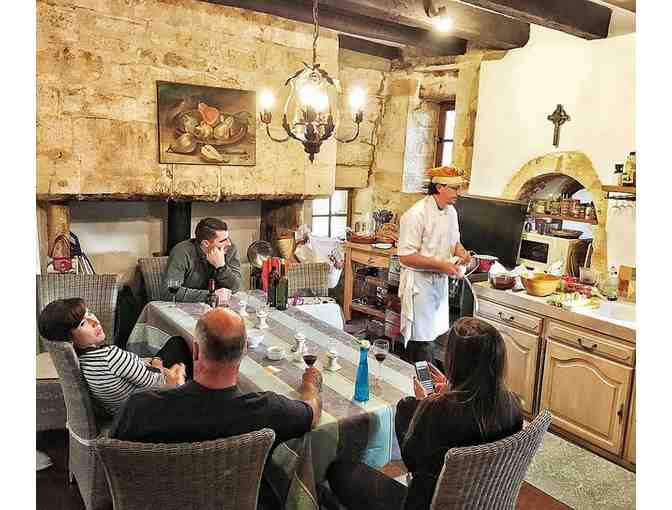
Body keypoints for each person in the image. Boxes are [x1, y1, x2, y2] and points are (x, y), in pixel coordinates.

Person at [110, 307, 322, 509]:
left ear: (195, 351)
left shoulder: (139, 408)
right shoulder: (268, 410)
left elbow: (113, 462)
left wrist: (169, 391)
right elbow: (312, 412)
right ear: (244, 352)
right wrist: (310, 385)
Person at [326, 318, 523, 510]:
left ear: (454, 361)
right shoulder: (513, 405)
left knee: (340, 471)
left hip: (425, 504)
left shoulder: (434, 409)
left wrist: (423, 404)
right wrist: (452, 389)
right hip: (485, 501)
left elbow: (412, 462)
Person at [38, 298, 191, 416]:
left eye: (89, 313)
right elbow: (160, 384)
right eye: (83, 323)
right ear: (69, 339)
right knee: (178, 344)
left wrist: (144, 362)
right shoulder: (110, 357)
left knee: (172, 346)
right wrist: (161, 366)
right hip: (147, 412)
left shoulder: (83, 360)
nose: (94, 321)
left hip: (121, 408)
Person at [397, 166, 472, 363]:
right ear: (439, 187)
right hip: (419, 284)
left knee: (436, 334)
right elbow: (405, 256)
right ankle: (419, 378)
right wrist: (442, 266)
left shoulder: (451, 212)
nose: (458, 193)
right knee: (422, 339)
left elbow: (454, 242)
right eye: (454, 188)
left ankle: (432, 378)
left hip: (439, 282)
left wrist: (462, 253)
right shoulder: (416, 214)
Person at [161, 217, 242, 303]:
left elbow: (235, 287)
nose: (229, 243)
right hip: (186, 307)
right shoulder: (181, 252)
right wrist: (210, 295)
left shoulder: (230, 249)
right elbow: (168, 292)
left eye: (228, 238)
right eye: (223, 241)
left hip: (220, 306)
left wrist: (221, 267)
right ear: (205, 243)